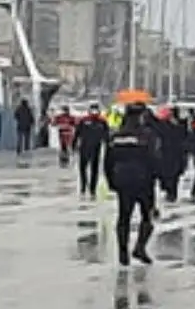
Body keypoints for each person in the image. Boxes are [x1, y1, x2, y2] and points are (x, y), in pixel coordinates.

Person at [103, 101, 159, 266]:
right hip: (143, 181)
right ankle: (139, 247)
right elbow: (153, 160)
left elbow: (108, 161)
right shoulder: (147, 135)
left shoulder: (116, 136)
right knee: (147, 216)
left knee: (123, 217)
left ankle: (122, 251)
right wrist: (157, 179)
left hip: (122, 181)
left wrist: (111, 181)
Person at [72, 103, 109, 198]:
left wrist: (108, 146)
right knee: (82, 169)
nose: (94, 112)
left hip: (96, 148)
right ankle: (83, 187)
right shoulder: (84, 121)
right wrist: (74, 145)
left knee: (94, 170)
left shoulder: (102, 122)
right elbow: (77, 133)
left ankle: (93, 190)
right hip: (84, 147)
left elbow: (106, 136)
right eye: (92, 110)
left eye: (96, 110)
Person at [153, 106, 188, 203]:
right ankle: (169, 191)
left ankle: (172, 194)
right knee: (167, 174)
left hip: (175, 154)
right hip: (167, 153)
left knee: (174, 175)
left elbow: (185, 137)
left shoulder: (180, 125)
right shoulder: (164, 124)